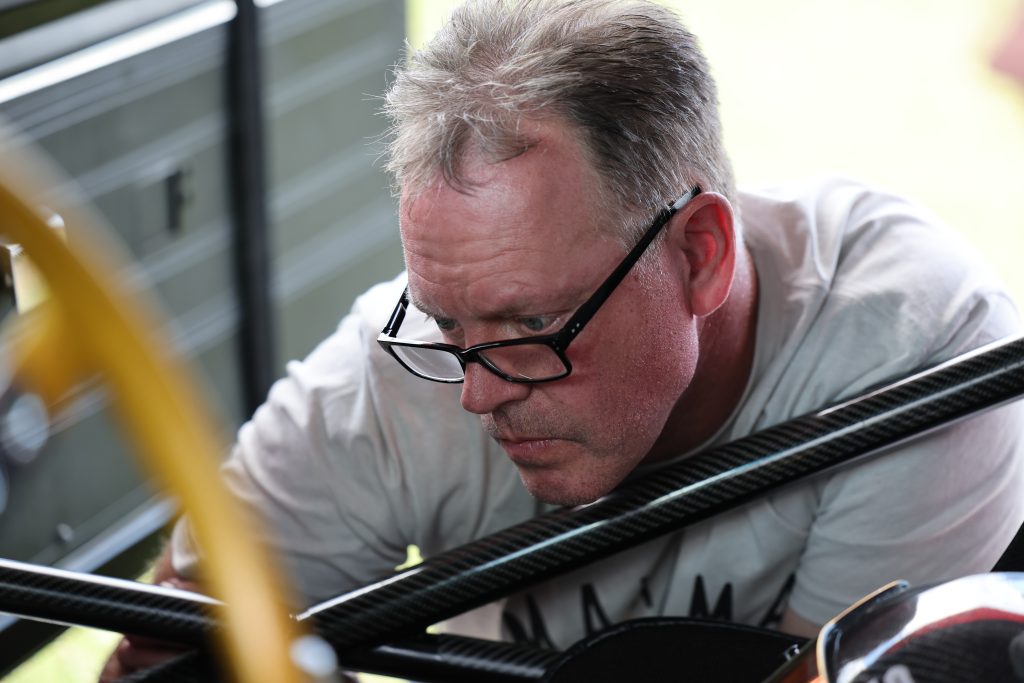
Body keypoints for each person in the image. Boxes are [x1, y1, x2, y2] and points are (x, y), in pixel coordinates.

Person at [102, 0, 1024, 679]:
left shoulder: (918, 353)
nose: (478, 390)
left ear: (699, 254)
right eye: (451, 322)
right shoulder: (403, 372)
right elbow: (157, 653)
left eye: (533, 324)